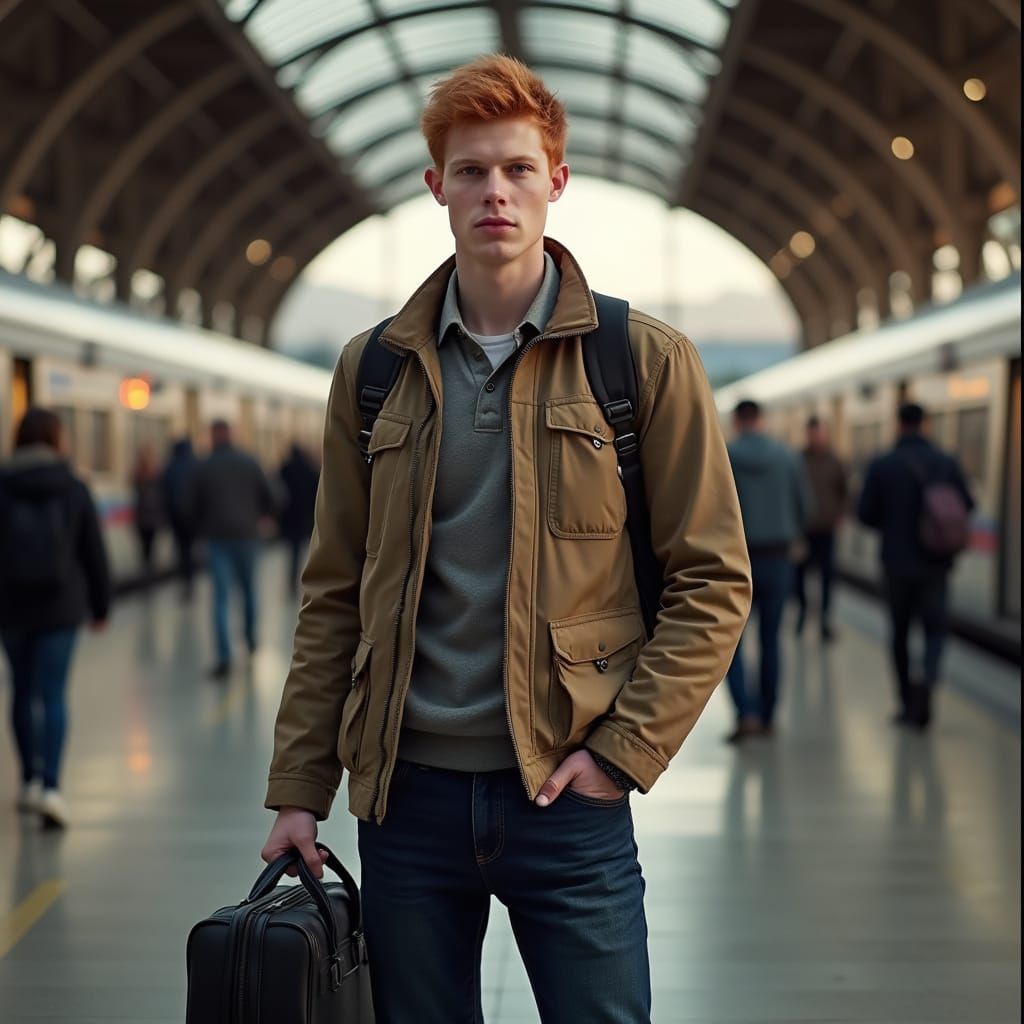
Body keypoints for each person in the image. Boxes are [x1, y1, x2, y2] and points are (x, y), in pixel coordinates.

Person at [260, 55, 752, 1023]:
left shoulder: (639, 360)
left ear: (555, 182)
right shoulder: (371, 372)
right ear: (434, 185)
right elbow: (334, 591)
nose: (496, 191)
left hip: (566, 796)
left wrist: (621, 753)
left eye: (518, 170)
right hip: (405, 799)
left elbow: (711, 577)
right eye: (473, 170)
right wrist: (299, 788)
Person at [0, 408, 111, 828]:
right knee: (53, 695)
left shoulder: (3, 484)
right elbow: (93, 552)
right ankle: (51, 787)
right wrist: (101, 606)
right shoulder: (73, 486)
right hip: (60, 608)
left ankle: (28, 778)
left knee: (21, 692)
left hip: (10, 607)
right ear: (56, 439)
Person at [857, 402, 973, 729]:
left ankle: (907, 701)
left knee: (900, 633)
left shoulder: (883, 464)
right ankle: (928, 679)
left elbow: (865, 514)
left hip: (896, 564)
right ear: (926, 425)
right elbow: (967, 504)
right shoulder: (946, 462)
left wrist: (894, 523)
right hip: (937, 563)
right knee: (935, 629)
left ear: (898, 425)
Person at [725, 399, 812, 742]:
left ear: (736, 421)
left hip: (736, 561)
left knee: (732, 642)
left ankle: (746, 713)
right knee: (772, 639)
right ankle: (769, 713)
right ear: (760, 419)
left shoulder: (726, 455)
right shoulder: (788, 457)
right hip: (778, 558)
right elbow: (807, 507)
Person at [189, 420, 276, 679]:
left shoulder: (204, 466)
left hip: (217, 540)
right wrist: (260, 516)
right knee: (249, 591)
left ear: (213, 436)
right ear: (232, 435)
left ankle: (224, 658)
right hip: (247, 536)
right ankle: (250, 642)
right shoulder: (249, 462)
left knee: (221, 599)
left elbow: (190, 505)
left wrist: (200, 529)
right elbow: (272, 496)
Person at [794, 416, 847, 641]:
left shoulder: (835, 461)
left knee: (827, 577)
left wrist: (840, 515)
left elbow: (844, 491)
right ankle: (803, 612)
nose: (816, 437)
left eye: (819, 432)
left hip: (827, 529)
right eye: (813, 432)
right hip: (803, 530)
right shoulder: (797, 460)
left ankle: (825, 619)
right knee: (799, 576)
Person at [276, 442, 319, 595]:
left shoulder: (285, 469)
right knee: (308, 551)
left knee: (293, 552)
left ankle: (292, 583)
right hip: (305, 517)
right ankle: (307, 581)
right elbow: (316, 492)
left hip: (289, 517)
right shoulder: (309, 469)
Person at [161, 437, 198, 599]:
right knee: (190, 549)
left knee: (182, 549)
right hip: (192, 516)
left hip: (176, 516)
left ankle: (185, 579)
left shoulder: (171, 466)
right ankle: (190, 580)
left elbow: (164, 490)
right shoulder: (196, 465)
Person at [131, 443, 163, 588]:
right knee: (149, 549)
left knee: (145, 549)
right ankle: (149, 575)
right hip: (150, 517)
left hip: (144, 517)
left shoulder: (140, 475)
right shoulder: (154, 474)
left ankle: (147, 574)